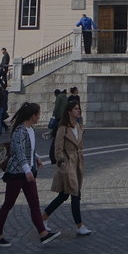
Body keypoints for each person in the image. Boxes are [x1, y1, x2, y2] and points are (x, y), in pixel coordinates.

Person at [0, 102, 61, 248]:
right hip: (17, 174)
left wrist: (36, 157)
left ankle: (43, 233)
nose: (40, 116)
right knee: (8, 204)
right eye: (38, 114)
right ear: (32, 116)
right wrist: (27, 170)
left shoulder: (30, 129)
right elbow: (19, 151)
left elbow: (28, 148)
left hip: (28, 172)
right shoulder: (20, 131)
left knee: (34, 204)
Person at [43, 99, 92, 236]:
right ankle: (79, 225)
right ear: (69, 111)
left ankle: (44, 217)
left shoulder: (79, 126)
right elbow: (57, 149)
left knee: (64, 195)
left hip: (78, 163)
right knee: (75, 193)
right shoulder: (63, 128)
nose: (78, 111)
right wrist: (62, 162)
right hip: (68, 163)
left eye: (79, 109)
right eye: (76, 109)